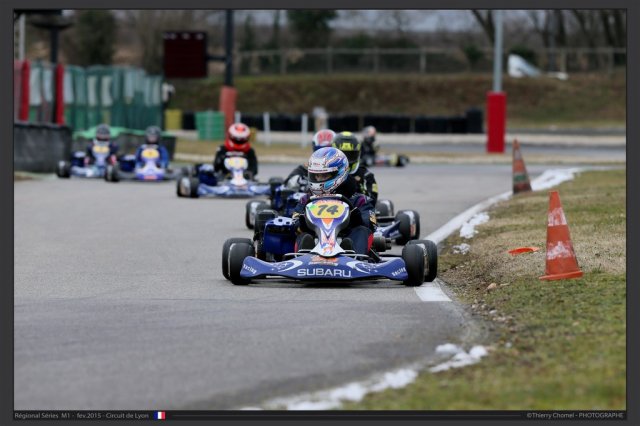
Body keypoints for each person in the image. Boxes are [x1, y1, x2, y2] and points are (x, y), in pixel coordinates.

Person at [291, 147, 376, 255]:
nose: (319, 180)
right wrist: (302, 223)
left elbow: (371, 225)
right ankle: (304, 255)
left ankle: (353, 255)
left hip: (347, 243)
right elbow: (294, 223)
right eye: (316, 176)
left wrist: (356, 219)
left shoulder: (359, 200)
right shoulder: (306, 200)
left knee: (361, 231)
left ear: (339, 173)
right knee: (303, 234)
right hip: (314, 245)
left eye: (324, 175)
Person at [331, 131, 379, 204]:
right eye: (342, 155)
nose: (345, 159)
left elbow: (371, 202)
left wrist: (357, 189)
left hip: (355, 211)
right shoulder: (327, 173)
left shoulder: (366, 175)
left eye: (350, 155)